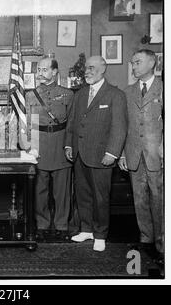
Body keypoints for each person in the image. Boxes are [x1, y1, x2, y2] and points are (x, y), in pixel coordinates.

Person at [64, 56, 128, 252]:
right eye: (86, 68)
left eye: (92, 68)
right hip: (79, 154)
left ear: (103, 69)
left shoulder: (115, 95)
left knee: (101, 197)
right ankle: (87, 229)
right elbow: (72, 122)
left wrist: (113, 152)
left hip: (102, 155)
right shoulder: (80, 94)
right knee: (82, 195)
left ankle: (100, 234)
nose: (87, 71)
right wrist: (68, 145)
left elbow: (120, 127)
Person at [118, 49, 164, 256]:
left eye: (138, 62)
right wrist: (122, 154)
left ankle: (163, 245)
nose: (133, 66)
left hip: (158, 156)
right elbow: (123, 125)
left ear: (152, 62)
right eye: (132, 63)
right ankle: (146, 239)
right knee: (140, 199)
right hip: (134, 155)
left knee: (160, 199)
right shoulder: (127, 92)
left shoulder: (163, 87)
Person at [26, 56, 74, 240]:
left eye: (45, 69)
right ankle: (42, 224)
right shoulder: (31, 95)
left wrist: (69, 144)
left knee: (62, 191)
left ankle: (62, 225)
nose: (40, 73)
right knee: (40, 190)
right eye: (39, 70)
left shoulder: (68, 94)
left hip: (61, 143)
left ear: (54, 72)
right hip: (40, 145)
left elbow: (71, 123)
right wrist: (30, 147)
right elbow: (30, 124)